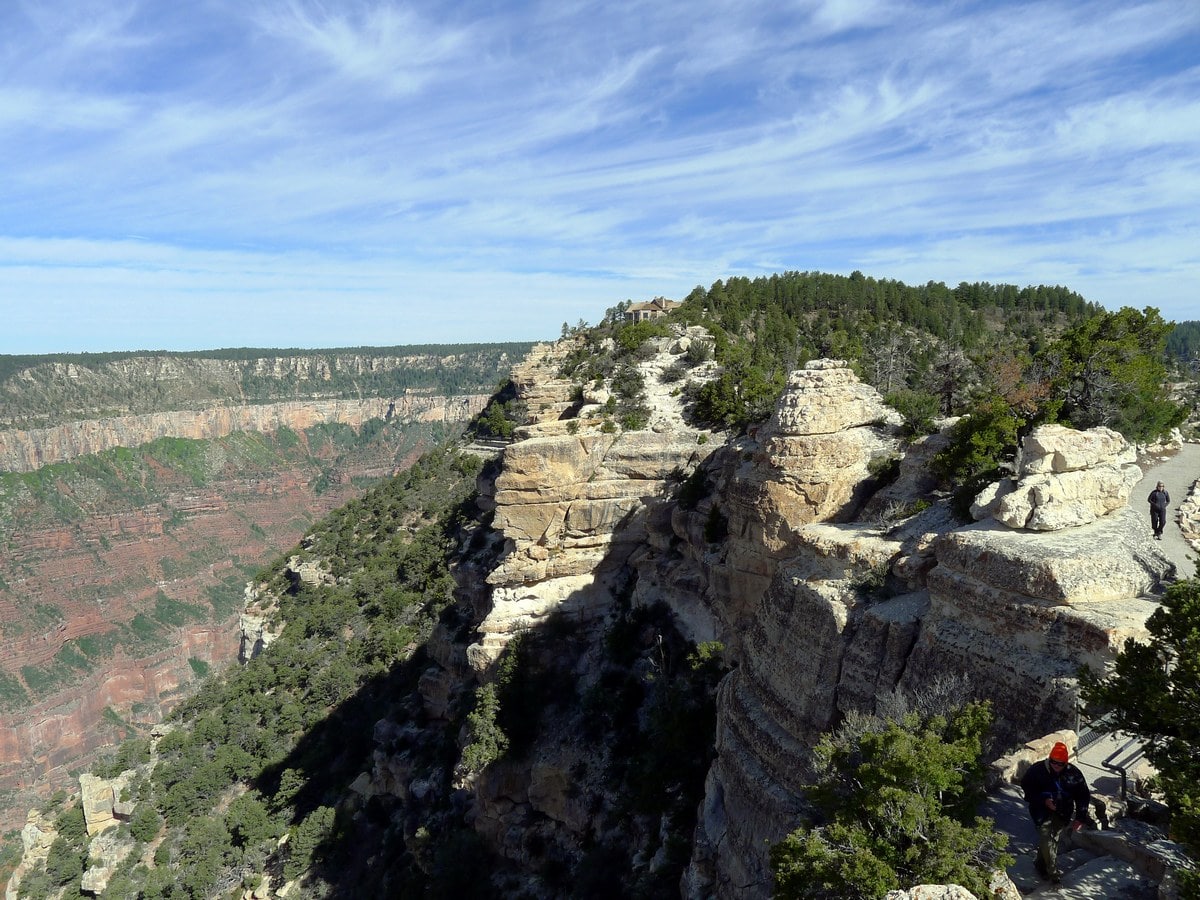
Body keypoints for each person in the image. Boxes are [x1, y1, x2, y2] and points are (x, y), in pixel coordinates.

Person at [1020, 741, 1091, 883]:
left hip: (1063, 812)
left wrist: (1080, 818)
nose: (1056, 766)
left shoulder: (1074, 773)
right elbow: (1027, 791)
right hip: (1040, 812)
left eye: (1061, 764)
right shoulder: (1037, 771)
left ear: (1066, 763)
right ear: (1049, 759)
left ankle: (1040, 864)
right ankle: (1053, 873)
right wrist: (1044, 800)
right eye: (1054, 762)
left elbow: (1083, 795)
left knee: (1053, 840)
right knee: (1047, 839)